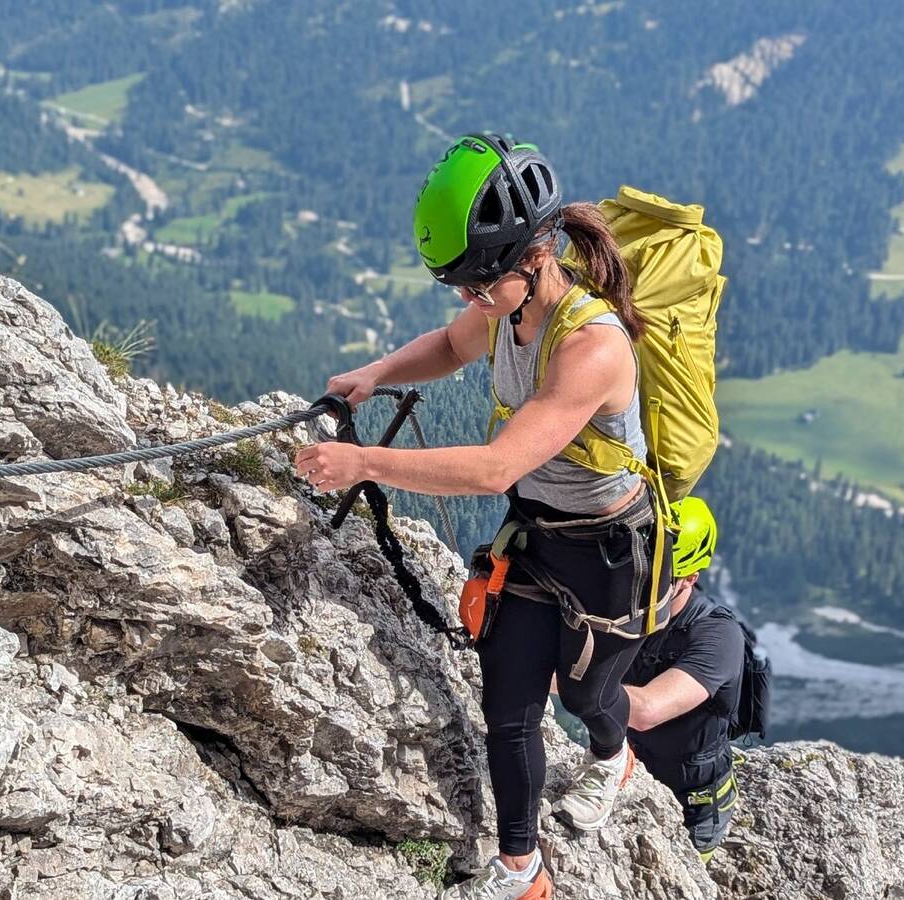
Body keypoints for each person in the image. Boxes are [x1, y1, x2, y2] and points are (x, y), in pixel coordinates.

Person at [295, 132, 673, 900]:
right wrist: (373, 375)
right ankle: (521, 869)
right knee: (508, 701)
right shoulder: (503, 306)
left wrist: (366, 464)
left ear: (535, 260)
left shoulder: (592, 347)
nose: (467, 302)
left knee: (587, 698)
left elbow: (497, 464)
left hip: (610, 552)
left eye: (476, 286)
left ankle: (614, 758)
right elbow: (447, 345)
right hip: (537, 535)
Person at [623, 495, 743, 863]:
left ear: (690, 577)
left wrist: (554, 678)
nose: (646, 585)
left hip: (695, 808)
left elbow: (645, 711)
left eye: (662, 578)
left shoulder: (717, 637)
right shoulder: (630, 612)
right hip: (634, 775)